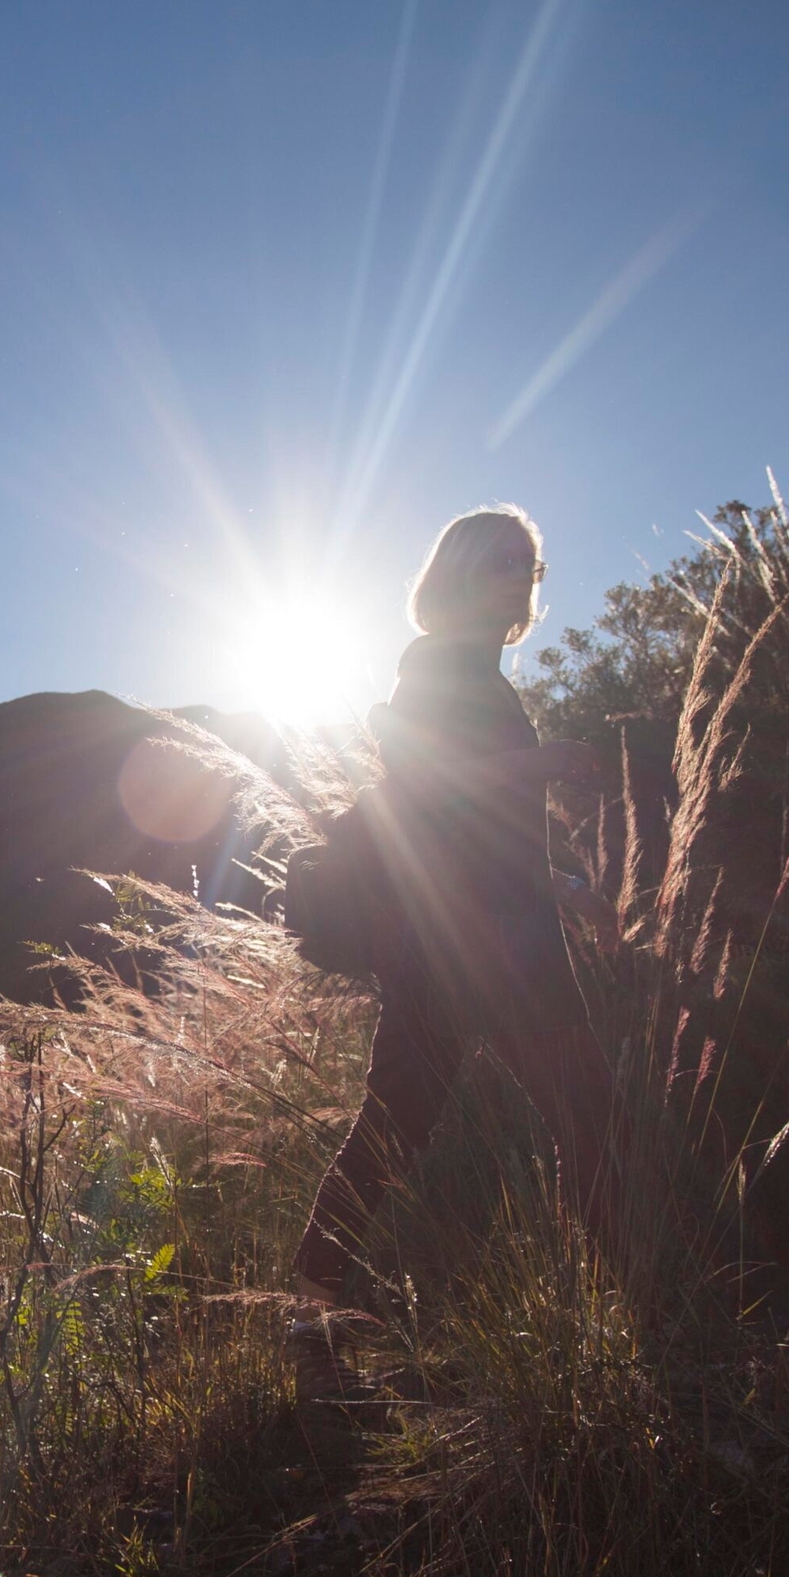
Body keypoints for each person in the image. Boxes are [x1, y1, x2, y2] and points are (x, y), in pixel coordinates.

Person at [294, 505, 618, 1325]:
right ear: (463, 571)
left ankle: (623, 1296)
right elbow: (426, 790)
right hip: (455, 945)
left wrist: (566, 887)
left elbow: (475, 837)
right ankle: (308, 1316)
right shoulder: (435, 667)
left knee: (578, 1107)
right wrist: (541, 760)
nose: (523, 578)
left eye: (531, 565)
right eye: (506, 560)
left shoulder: (481, 676)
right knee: (405, 1126)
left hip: (504, 935)